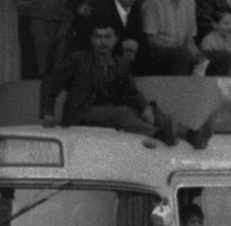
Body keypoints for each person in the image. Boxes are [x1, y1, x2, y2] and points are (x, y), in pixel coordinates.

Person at [42, 23, 210, 149]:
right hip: (81, 114)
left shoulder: (120, 64)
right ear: (92, 40)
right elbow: (51, 83)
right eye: (99, 37)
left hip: (109, 111)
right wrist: (48, 113)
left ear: (115, 40)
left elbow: (130, 92)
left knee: (149, 109)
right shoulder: (77, 59)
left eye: (107, 37)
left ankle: (191, 135)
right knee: (122, 113)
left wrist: (145, 108)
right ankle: (159, 135)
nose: (103, 42)